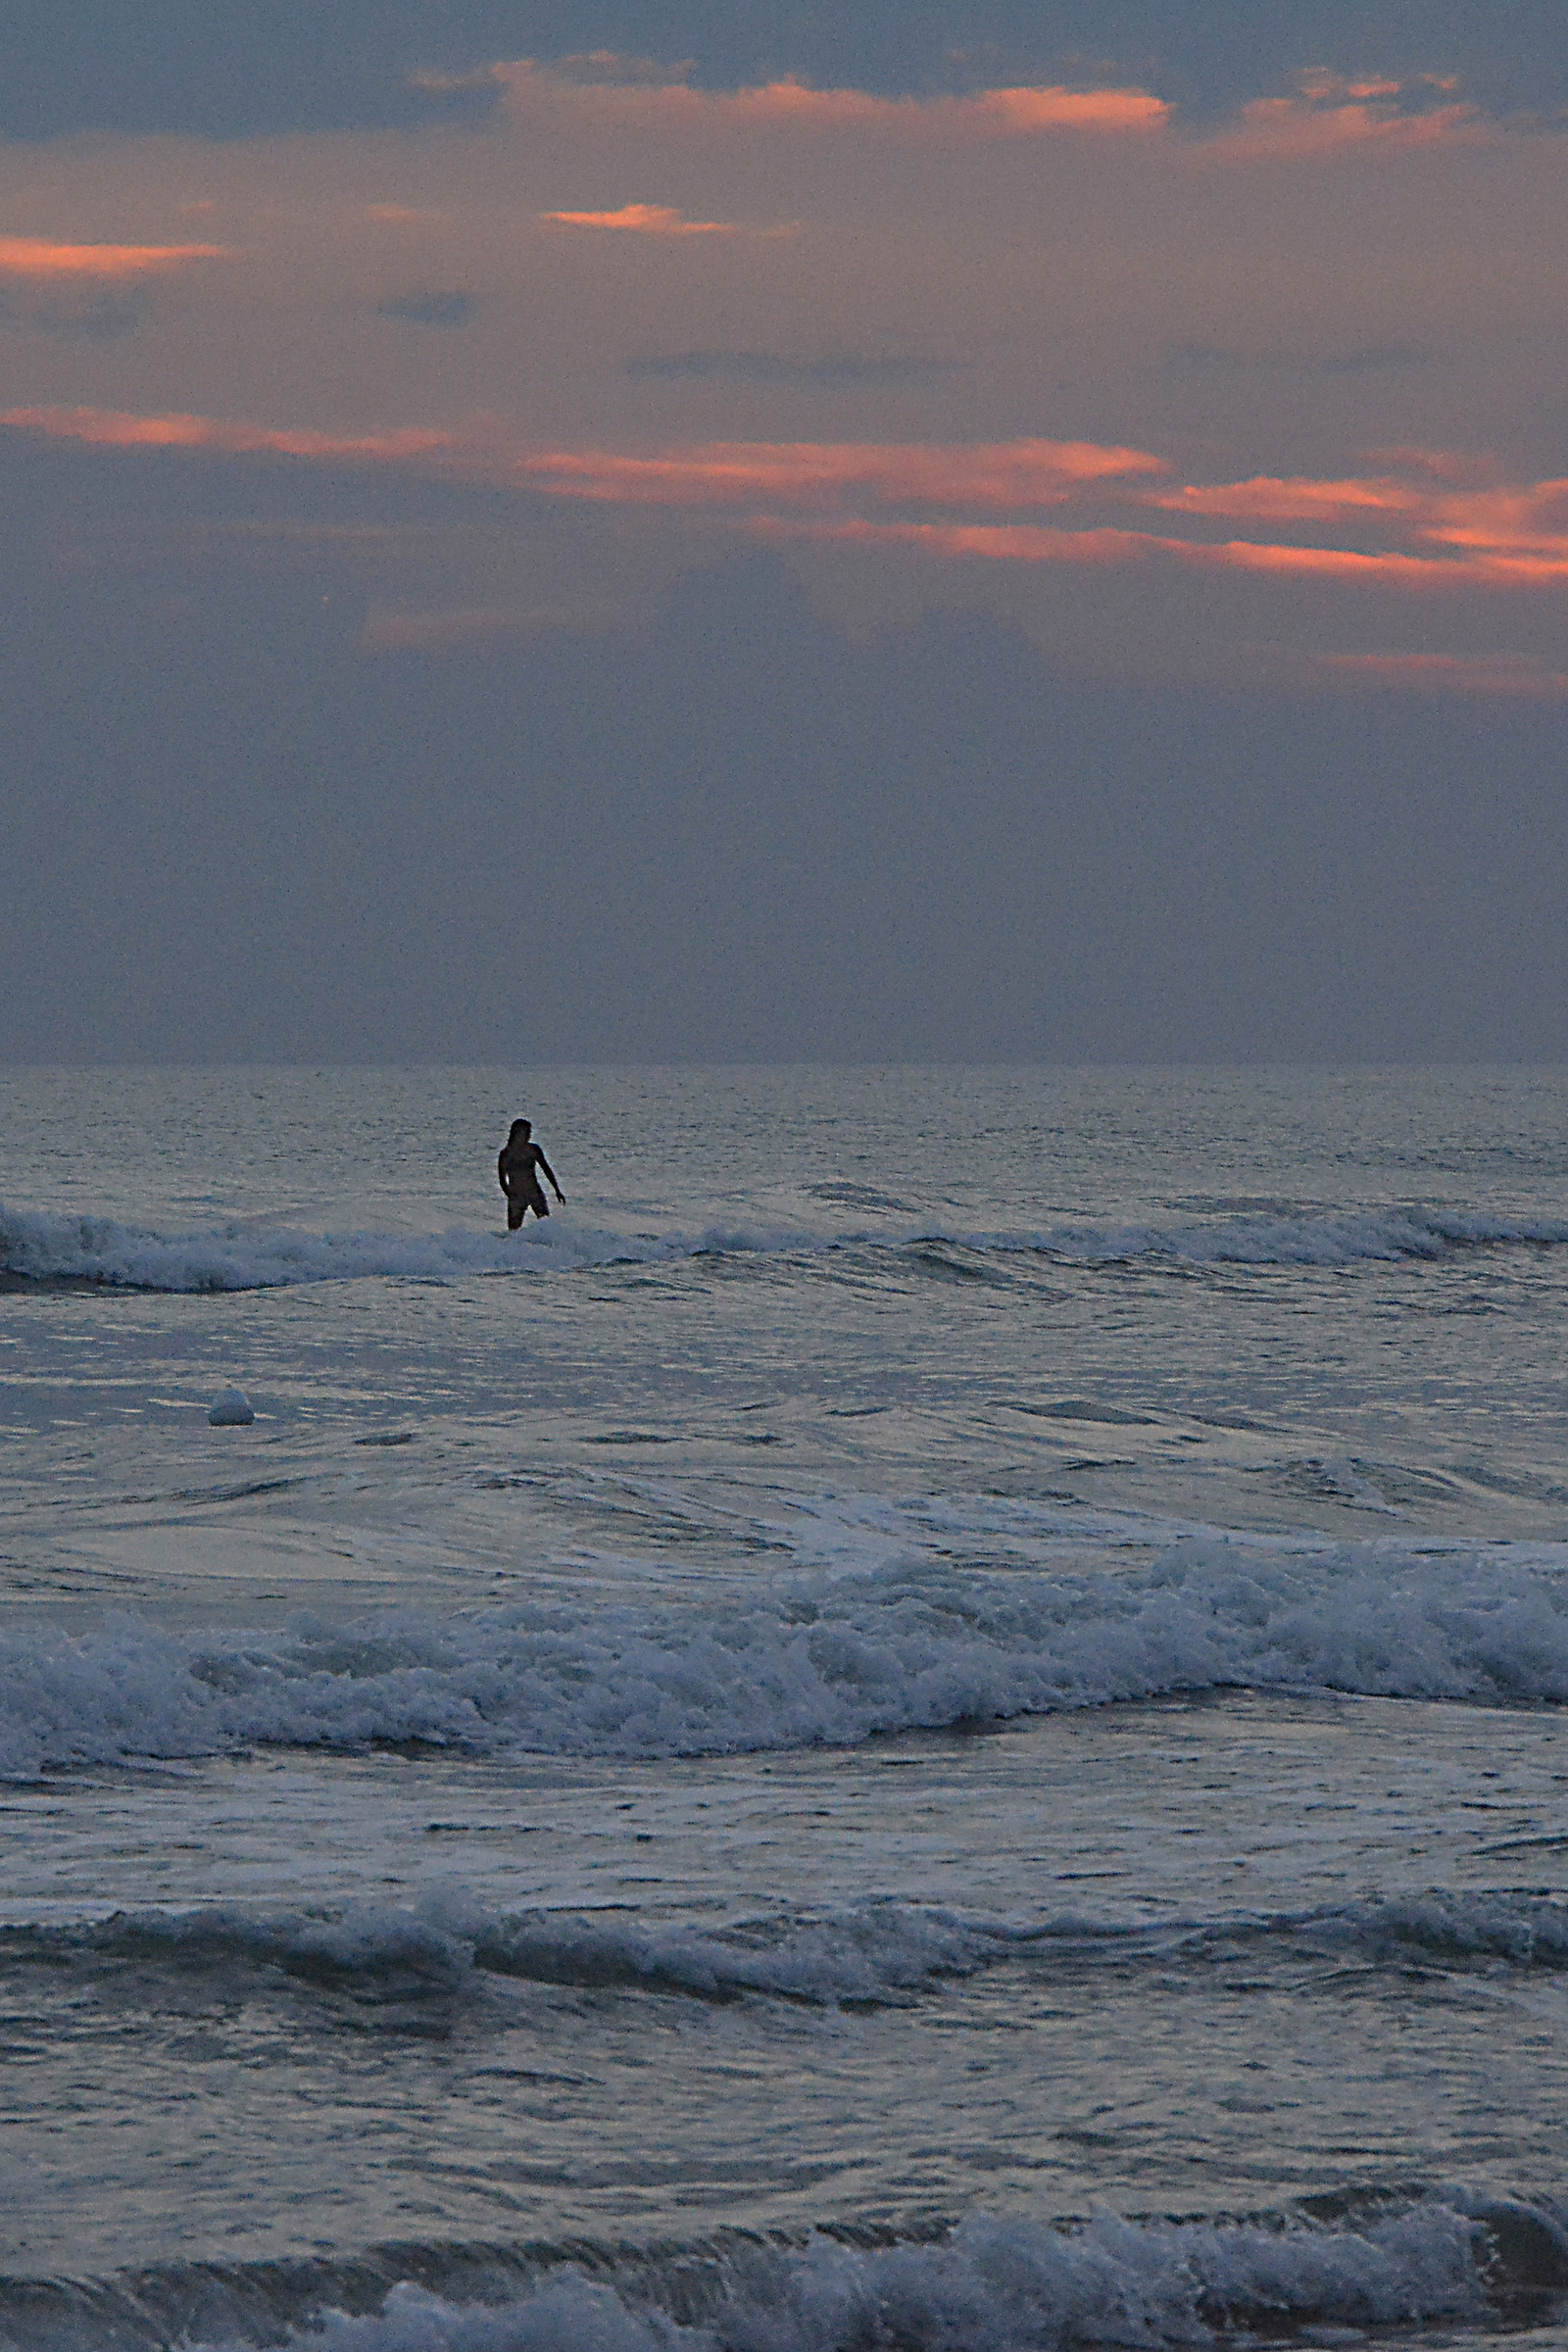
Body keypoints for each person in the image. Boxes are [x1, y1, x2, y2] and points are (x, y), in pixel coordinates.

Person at [498, 1118, 564, 1230]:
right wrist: (511, 1196)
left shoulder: (533, 1149)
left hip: (535, 1193)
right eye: (527, 1132)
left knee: (546, 1226)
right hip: (517, 1196)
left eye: (529, 1133)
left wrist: (557, 1190)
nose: (529, 1136)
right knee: (514, 1232)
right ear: (517, 1133)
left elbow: (546, 1169)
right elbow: (502, 1180)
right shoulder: (506, 1154)